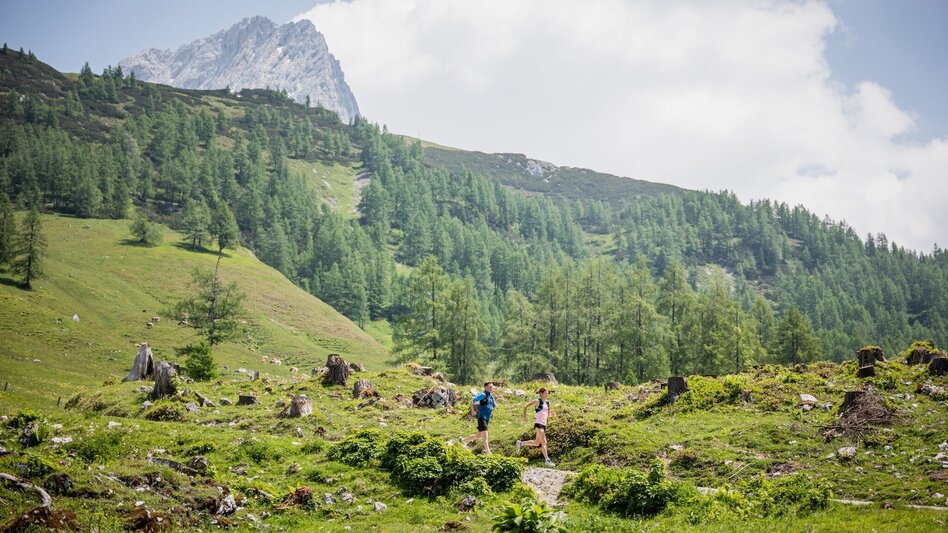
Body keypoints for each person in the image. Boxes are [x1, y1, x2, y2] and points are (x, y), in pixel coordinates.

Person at [515, 387, 555, 467]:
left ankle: (521, 443)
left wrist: (552, 415)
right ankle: (547, 460)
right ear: (541, 394)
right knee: (544, 442)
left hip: (544, 424)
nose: (547, 395)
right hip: (538, 424)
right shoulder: (537, 401)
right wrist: (525, 416)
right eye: (545, 393)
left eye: (547, 393)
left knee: (537, 443)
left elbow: (547, 415)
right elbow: (525, 406)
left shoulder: (548, 403)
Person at [459, 382, 496, 453]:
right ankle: (489, 452)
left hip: (487, 418)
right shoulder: (483, 394)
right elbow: (472, 400)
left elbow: (493, 406)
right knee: (485, 435)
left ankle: (463, 440)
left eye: (492, 387)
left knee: (478, 435)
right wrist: (473, 411)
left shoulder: (491, 397)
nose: (491, 388)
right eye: (489, 387)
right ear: (485, 387)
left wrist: (482, 404)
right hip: (482, 417)